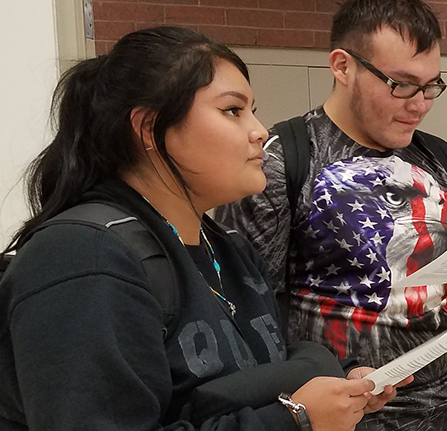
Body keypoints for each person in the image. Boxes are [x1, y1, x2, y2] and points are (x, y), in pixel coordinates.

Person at [0, 26, 407, 431]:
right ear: (149, 129)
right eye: (233, 110)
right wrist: (294, 420)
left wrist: (344, 380)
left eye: (252, 109)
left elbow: (253, 367)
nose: (260, 131)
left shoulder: (225, 246)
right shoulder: (82, 256)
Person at [215, 1, 447, 430]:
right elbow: (246, 306)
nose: (420, 104)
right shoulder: (282, 158)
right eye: (402, 84)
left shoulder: (438, 157)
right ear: (343, 66)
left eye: (432, 86)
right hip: (344, 414)